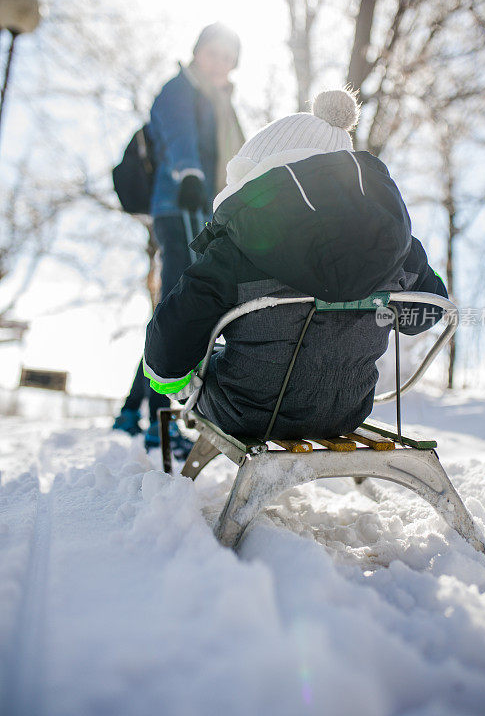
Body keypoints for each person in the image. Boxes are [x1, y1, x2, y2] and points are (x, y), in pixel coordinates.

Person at [142, 89, 448, 440]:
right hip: (347, 409)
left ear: (258, 172)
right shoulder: (397, 244)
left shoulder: (240, 242)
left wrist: (173, 380)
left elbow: (174, 332)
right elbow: (429, 312)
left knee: (211, 358)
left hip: (245, 410)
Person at [113, 23, 245, 453]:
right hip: (179, 205)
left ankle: (132, 410)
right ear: (198, 51)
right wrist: (189, 174)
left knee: (172, 307)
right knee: (179, 308)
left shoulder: (221, 102)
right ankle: (162, 423)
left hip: (201, 210)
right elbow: (179, 136)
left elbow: (238, 155)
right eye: (214, 52)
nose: (220, 61)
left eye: (229, 56)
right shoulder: (179, 89)